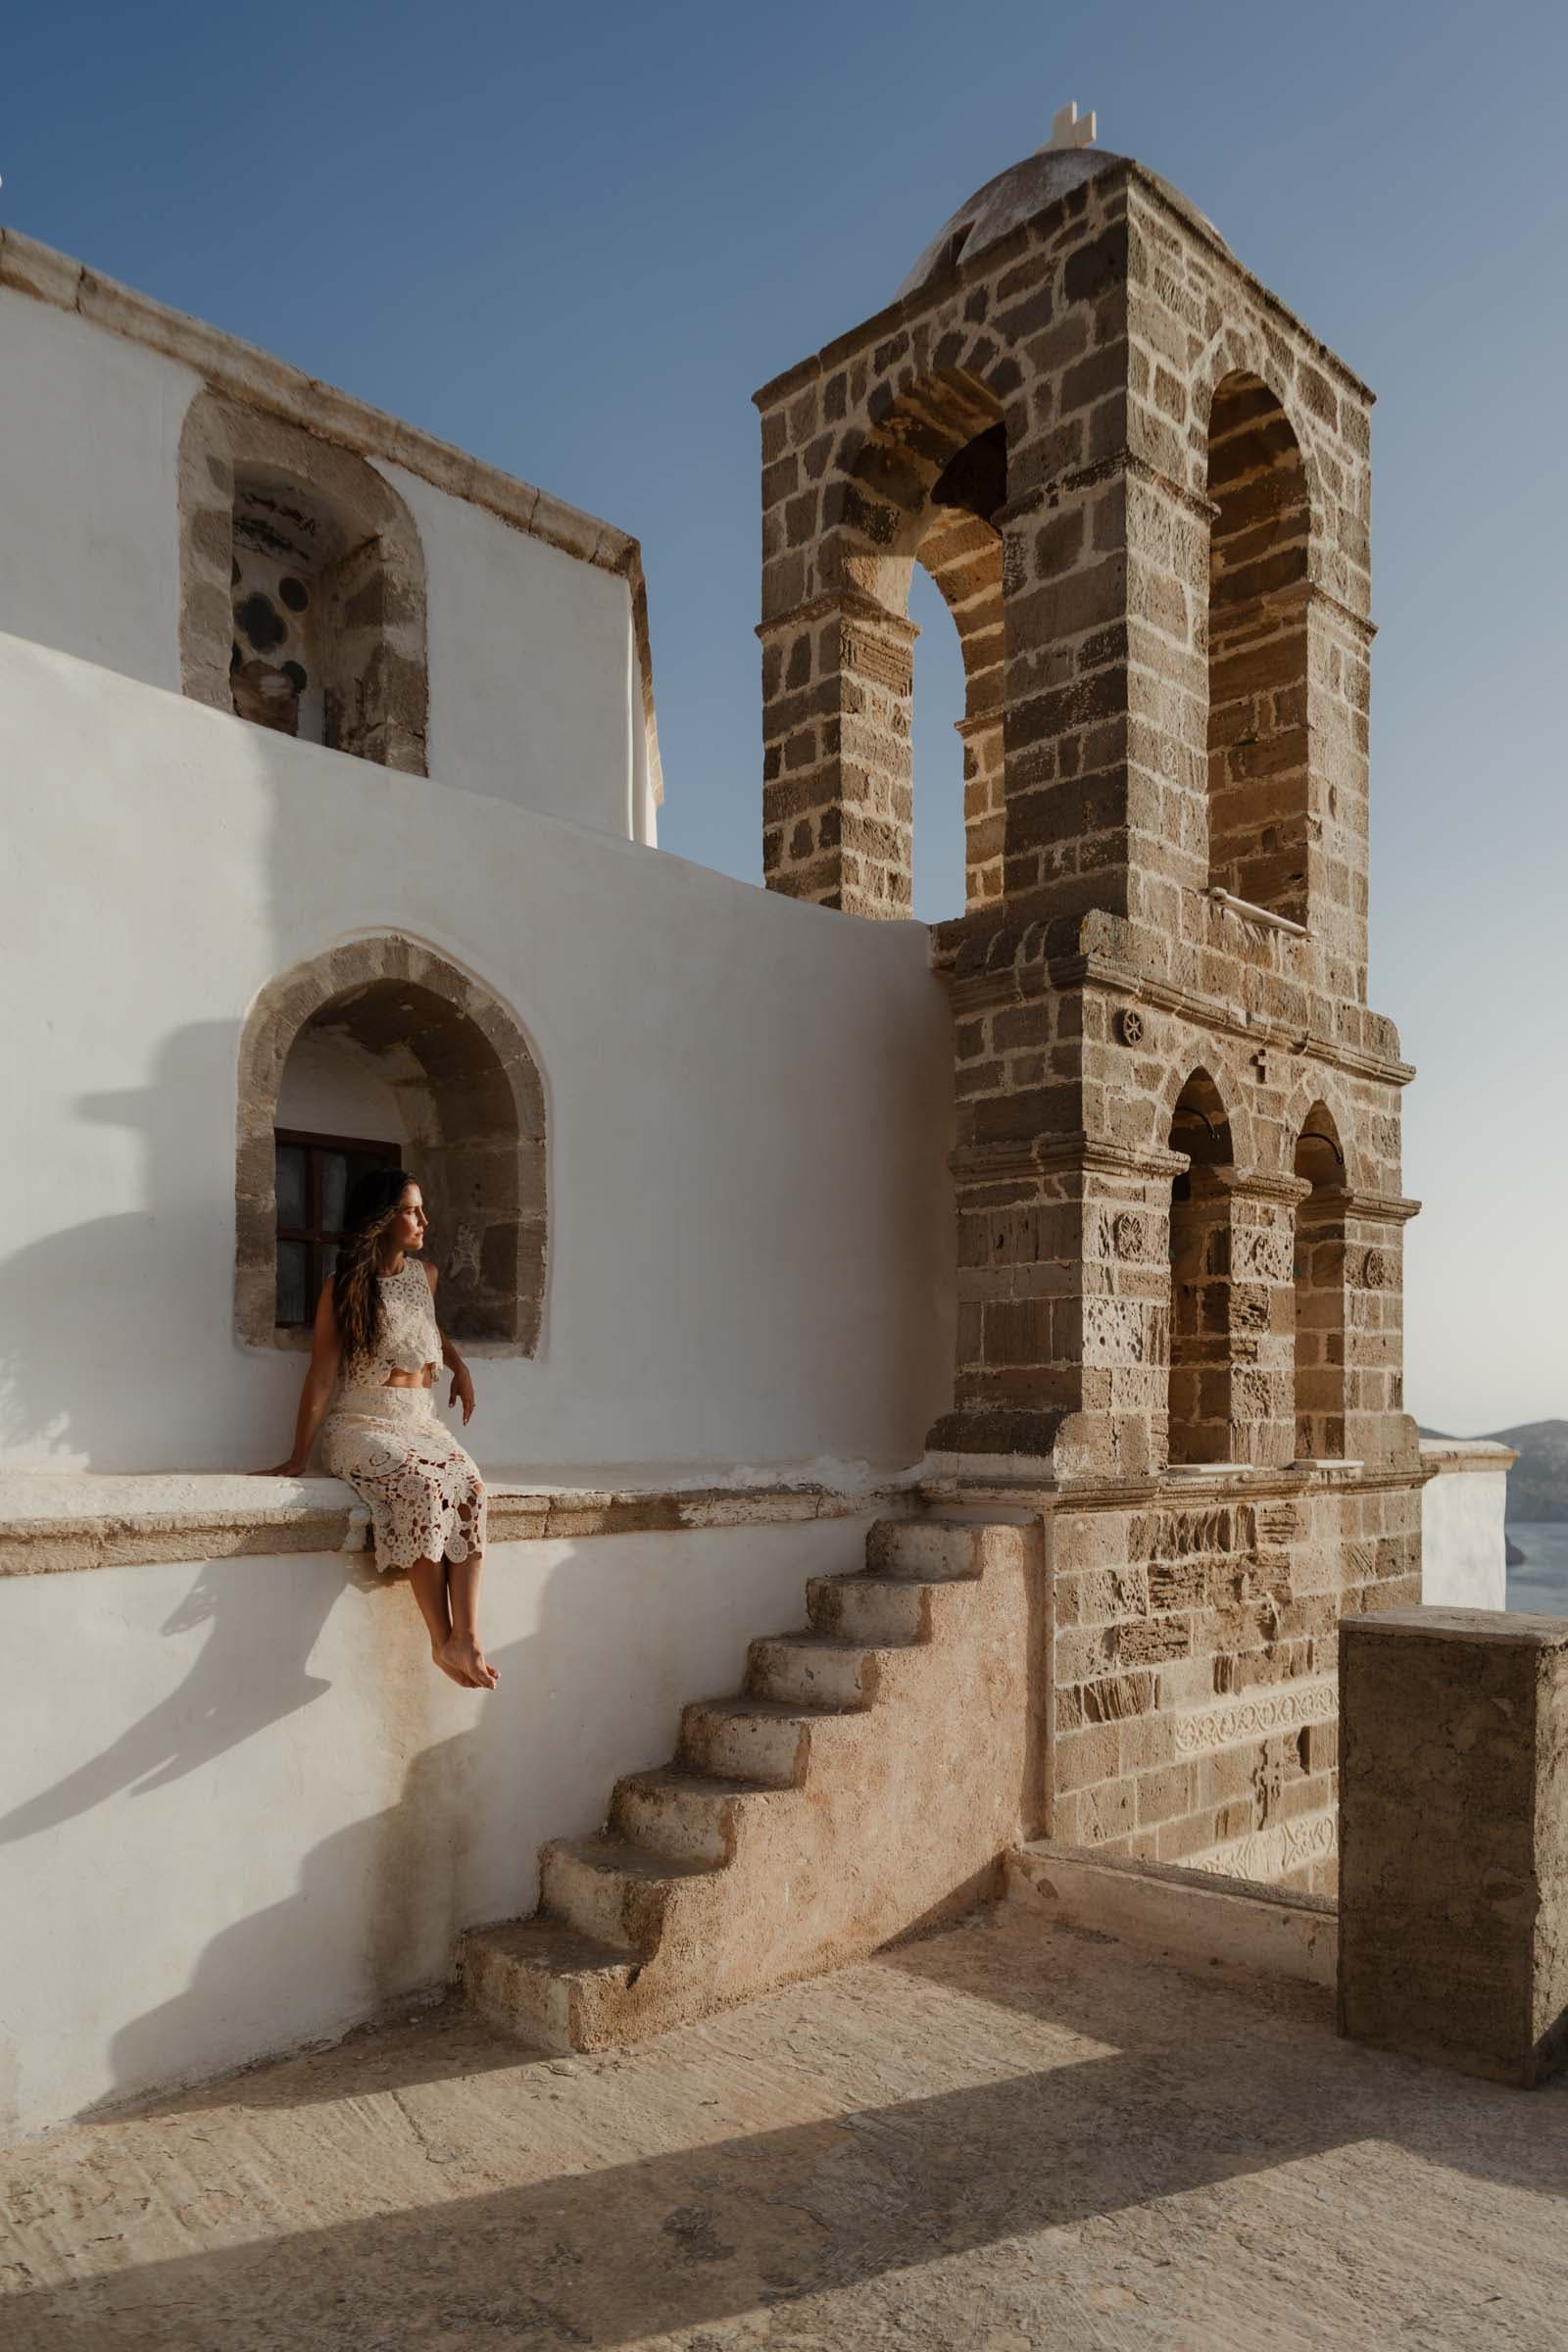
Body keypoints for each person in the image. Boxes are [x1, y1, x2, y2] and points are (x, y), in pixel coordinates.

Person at [259, 1167, 498, 1690]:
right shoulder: (342, 1287)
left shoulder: (426, 1275)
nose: (423, 1220)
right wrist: (299, 1455)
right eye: (412, 1210)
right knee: (423, 1486)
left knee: (472, 1489)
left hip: (421, 1422)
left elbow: (429, 1326)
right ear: (383, 1219)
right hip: (364, 1424)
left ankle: (470, 1638)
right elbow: (322, 1374)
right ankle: (442, 1640)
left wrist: (459, 1366)